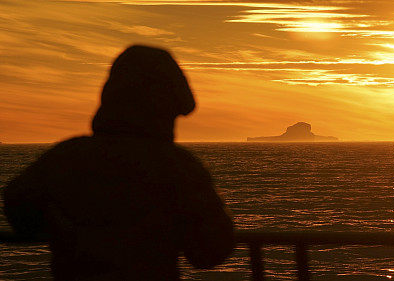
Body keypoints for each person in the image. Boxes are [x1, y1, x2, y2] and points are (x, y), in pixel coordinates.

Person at [3, 45, 235, 280]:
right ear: (168, 108)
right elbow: (210, 253)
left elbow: (19, 212)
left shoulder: (66, 157)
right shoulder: (177, 167)